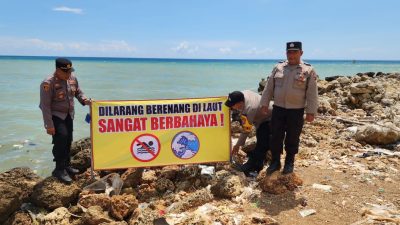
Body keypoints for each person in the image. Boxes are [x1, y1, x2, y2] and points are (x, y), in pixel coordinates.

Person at [260, 41, 318, 175]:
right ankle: (275, 162)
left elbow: (312, 93)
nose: (291, 55)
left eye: (294, 52)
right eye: (289, 52)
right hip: (278, 108)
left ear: (301, 53)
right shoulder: (278, 68)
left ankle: (289, 162)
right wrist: (264, 103)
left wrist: (311, 111)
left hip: (296, 111)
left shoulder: (308, 70)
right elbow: (269, 88)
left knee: (293, 137)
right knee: (275, 136)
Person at [39, 57, 92, 184]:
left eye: (70, 71)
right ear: (57, 70)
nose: (69, 74)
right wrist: (49, 125)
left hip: (69, 114)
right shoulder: (48, 82)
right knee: (61, 139)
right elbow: (44, 105)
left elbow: (78, 92)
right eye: (65, 72)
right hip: (56, 115)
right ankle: (59, 169)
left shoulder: (72, 78)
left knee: (68, 139)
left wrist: (85, 100)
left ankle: (67, 165)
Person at [225, 90, 272, 177]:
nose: (232, 108)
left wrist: (237, 145)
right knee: (261, 140)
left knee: (262, 143)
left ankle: (253, 167)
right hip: (261, 118)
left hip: (270, 118)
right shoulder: (242, 94)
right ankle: (258, 164)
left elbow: (246, 130)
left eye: (233, 106)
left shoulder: (249, 108)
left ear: (240, 103)